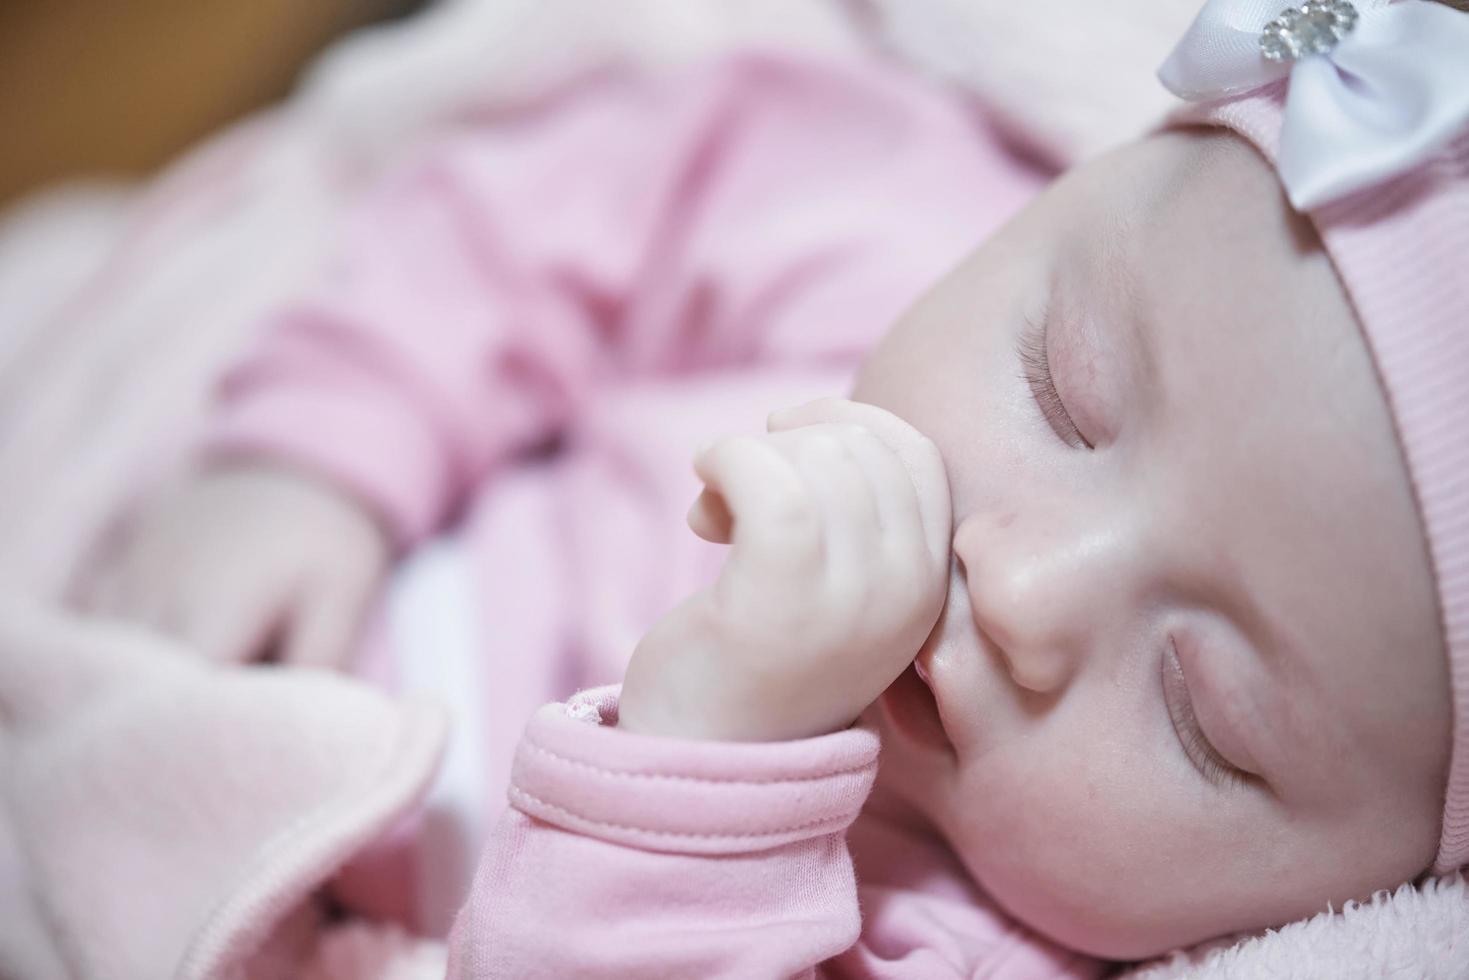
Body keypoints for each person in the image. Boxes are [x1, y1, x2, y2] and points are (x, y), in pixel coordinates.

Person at [85, 0, 1469, 971]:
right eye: (1067, 387)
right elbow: (582, 191)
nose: (1022, 587)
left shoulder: (967, 947)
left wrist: (708, 751)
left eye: (1203, 713)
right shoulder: (889, 215)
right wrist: (320, 445)